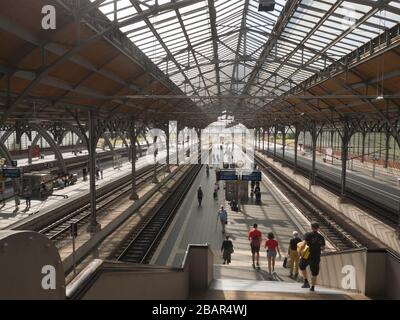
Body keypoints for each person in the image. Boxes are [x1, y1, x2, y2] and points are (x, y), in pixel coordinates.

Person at [298, 222, 326, 292]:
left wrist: (299, 253)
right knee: (314, 272)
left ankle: (306, 281)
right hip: (316, 257)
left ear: (311, 227)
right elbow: (323, 248)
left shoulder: (308, 234)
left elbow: (303, 245)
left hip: (307, 255)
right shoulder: (321, 237)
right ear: (318, 228)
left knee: (301, 266)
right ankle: (312, 287)